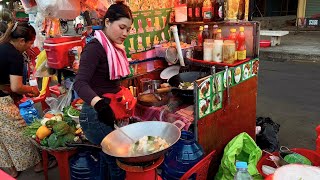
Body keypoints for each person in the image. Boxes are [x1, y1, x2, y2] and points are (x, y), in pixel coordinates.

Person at [74, 2, 133, 180]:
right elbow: (80, 83)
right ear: (107, 22)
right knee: (118, 164)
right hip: (95, 116)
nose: (125, 33)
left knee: (108, 161)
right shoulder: (95, 48)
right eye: (121, 27)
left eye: (128, 29)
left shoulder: (114, 47)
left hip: (108, 110)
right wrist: (99, 104)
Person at [0, 22, 43, 178]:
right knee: (19, 131)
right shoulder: (14, 55)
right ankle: (38, 165)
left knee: (1, 137)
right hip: (1, 102)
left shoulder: (2, 46)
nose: (30, 46)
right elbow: (17, 87)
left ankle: (11, 169)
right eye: (30, 43)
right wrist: (31, 89)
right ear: (21, 41)